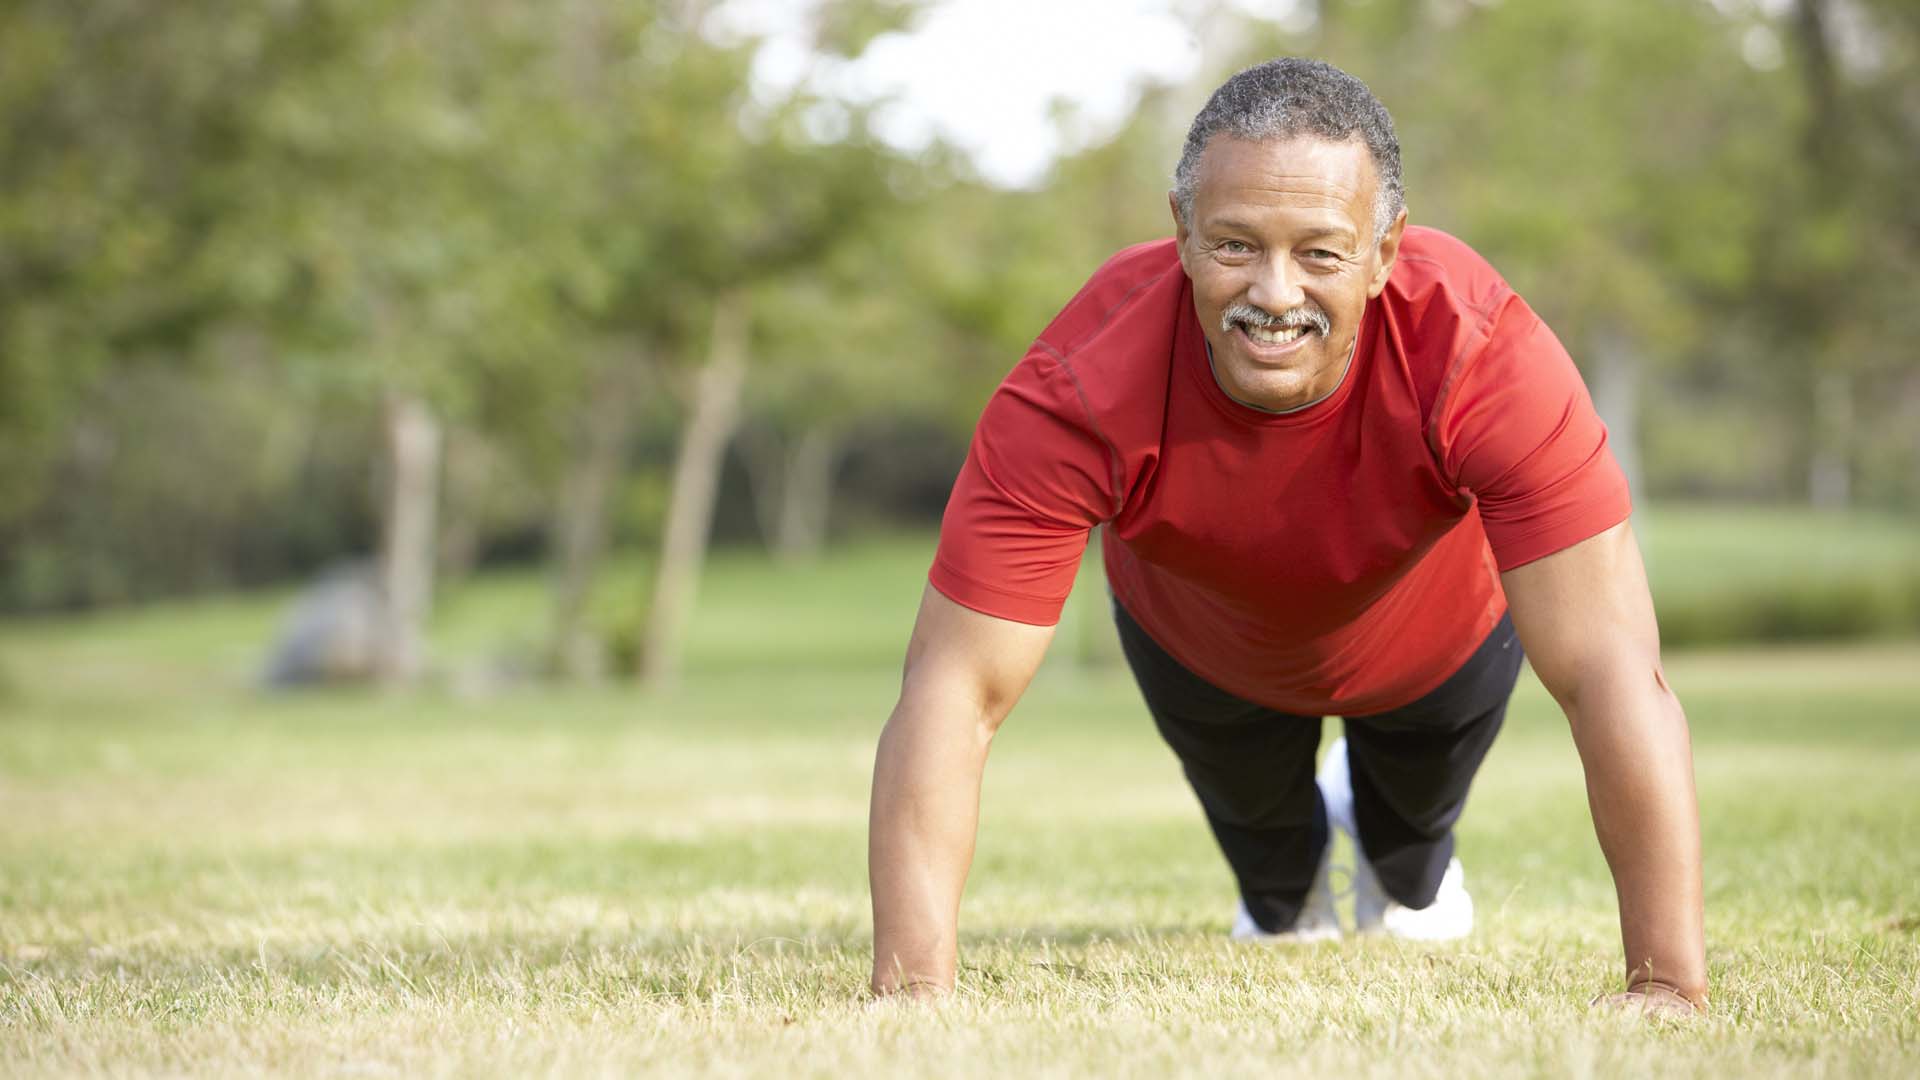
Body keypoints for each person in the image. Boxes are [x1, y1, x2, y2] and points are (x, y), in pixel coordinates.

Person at [866, 58, 1707, 1016]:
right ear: (1180, 234)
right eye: (1233, 244)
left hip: (1436, 641)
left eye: (1319, 252)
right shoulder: (1080, 383)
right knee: (1277, 893)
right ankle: (1290, 873)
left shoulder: (1481, 354)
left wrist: (1668, 987)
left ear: (1387, 250)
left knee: (1409, 862)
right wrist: (912, 995)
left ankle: (1409, 864)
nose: (1273, 292)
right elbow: (954, 688)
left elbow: (1610, 671)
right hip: (1202, 648)